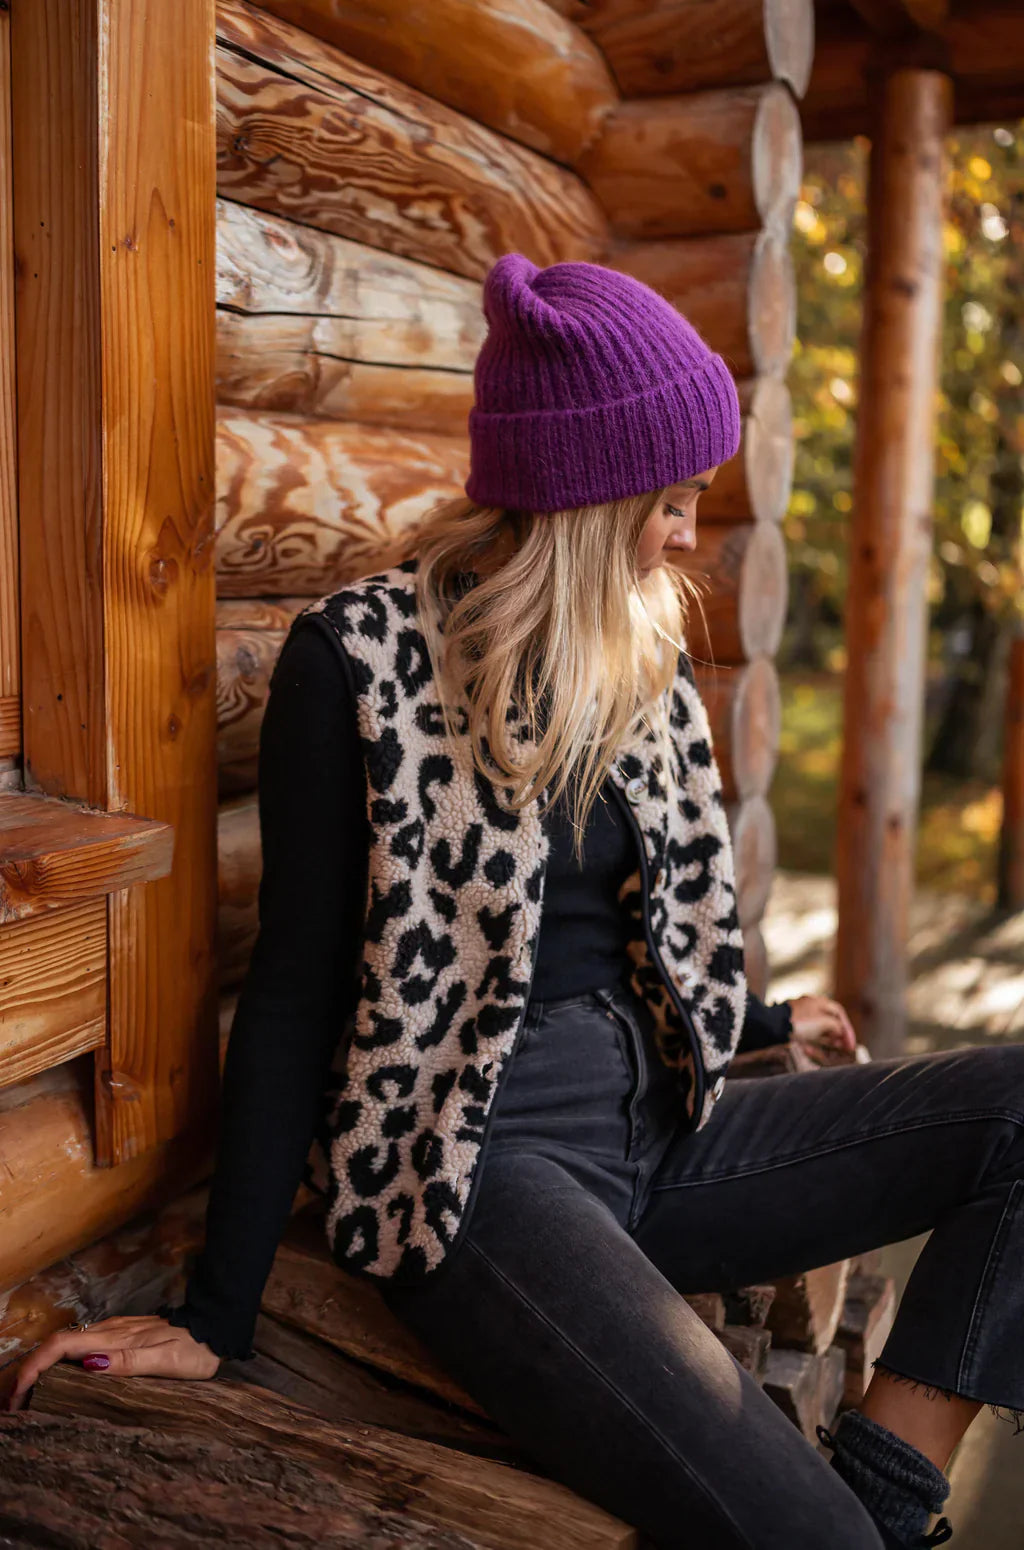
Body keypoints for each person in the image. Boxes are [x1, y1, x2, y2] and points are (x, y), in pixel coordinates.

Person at [9, 253, 1024, 1550]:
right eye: (670, 499)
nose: (686, 534)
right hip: (478, 1167)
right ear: (588, 496)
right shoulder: (361, 666)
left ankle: (890, 1483)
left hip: (664, 1119)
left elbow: (608, 924)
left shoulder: (633, 647)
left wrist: (760, 1013)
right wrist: (215, 1311)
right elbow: (296, 991)